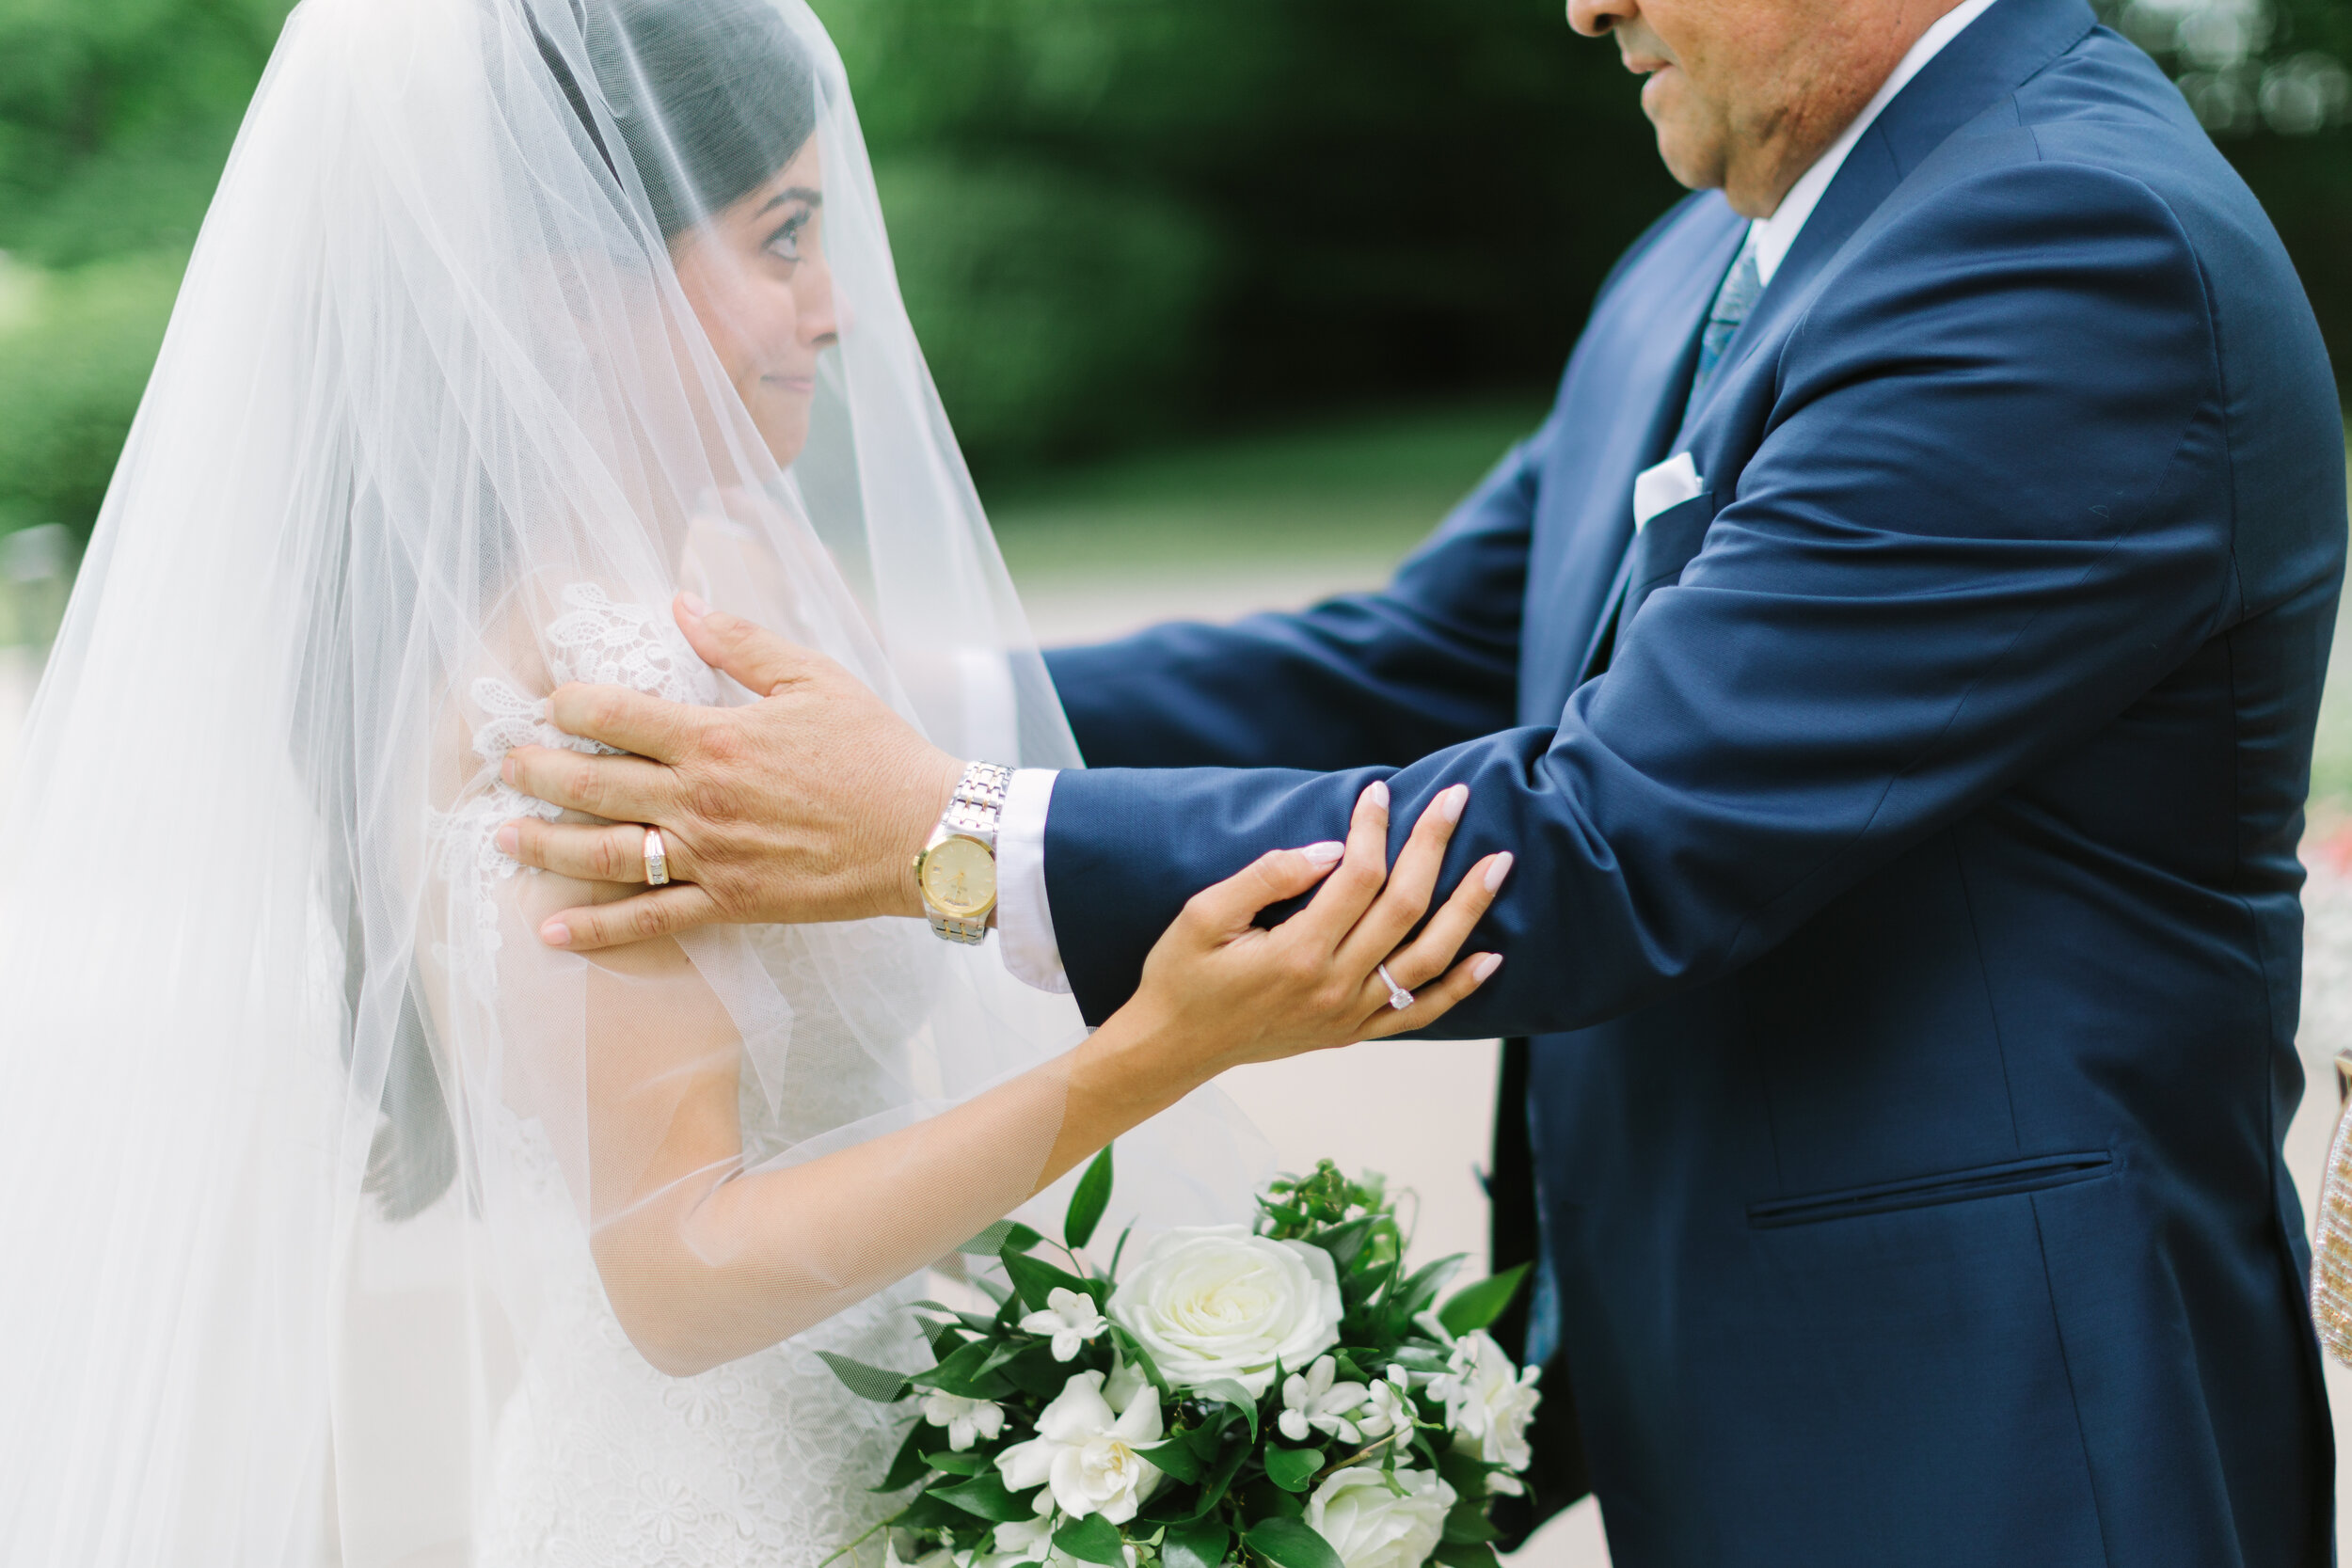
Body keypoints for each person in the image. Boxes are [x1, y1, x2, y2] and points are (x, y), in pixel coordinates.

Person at [501, 0, 2351, 1560]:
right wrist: (913, 712)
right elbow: (1422, 659)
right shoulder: (1706, 254)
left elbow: (1603, 843)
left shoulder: (2057, 249)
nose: (1581, 3)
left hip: (2001, 1425)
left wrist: (946, 833)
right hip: (1751, 1396)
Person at [0, 1, 1509, 1562]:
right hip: (716, 1514)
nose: (834, 305)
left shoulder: (734, 589)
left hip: (888, 1453)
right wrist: (1154, 1053)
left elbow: (924, 856)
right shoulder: (585, 703)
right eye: (782, 239)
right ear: (573, 292)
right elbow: (682, 1271)